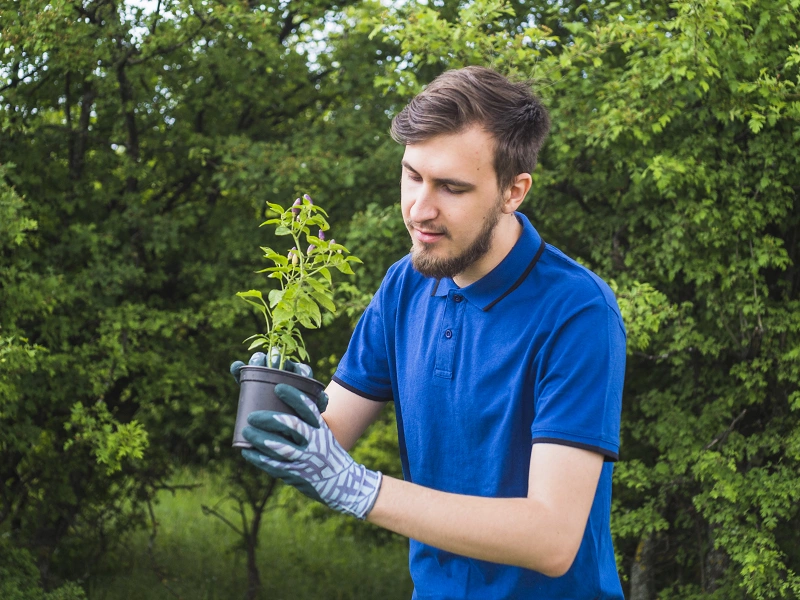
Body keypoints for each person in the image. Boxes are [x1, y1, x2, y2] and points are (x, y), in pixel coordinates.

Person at [232, 66, 626, 599]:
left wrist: (360, 488)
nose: (420, 209)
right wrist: (285, 409)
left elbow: (551, 539)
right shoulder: (405, 284)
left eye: (451, 187)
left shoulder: (577, 311)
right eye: (412, 175)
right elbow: (330, 437)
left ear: (514, 190)